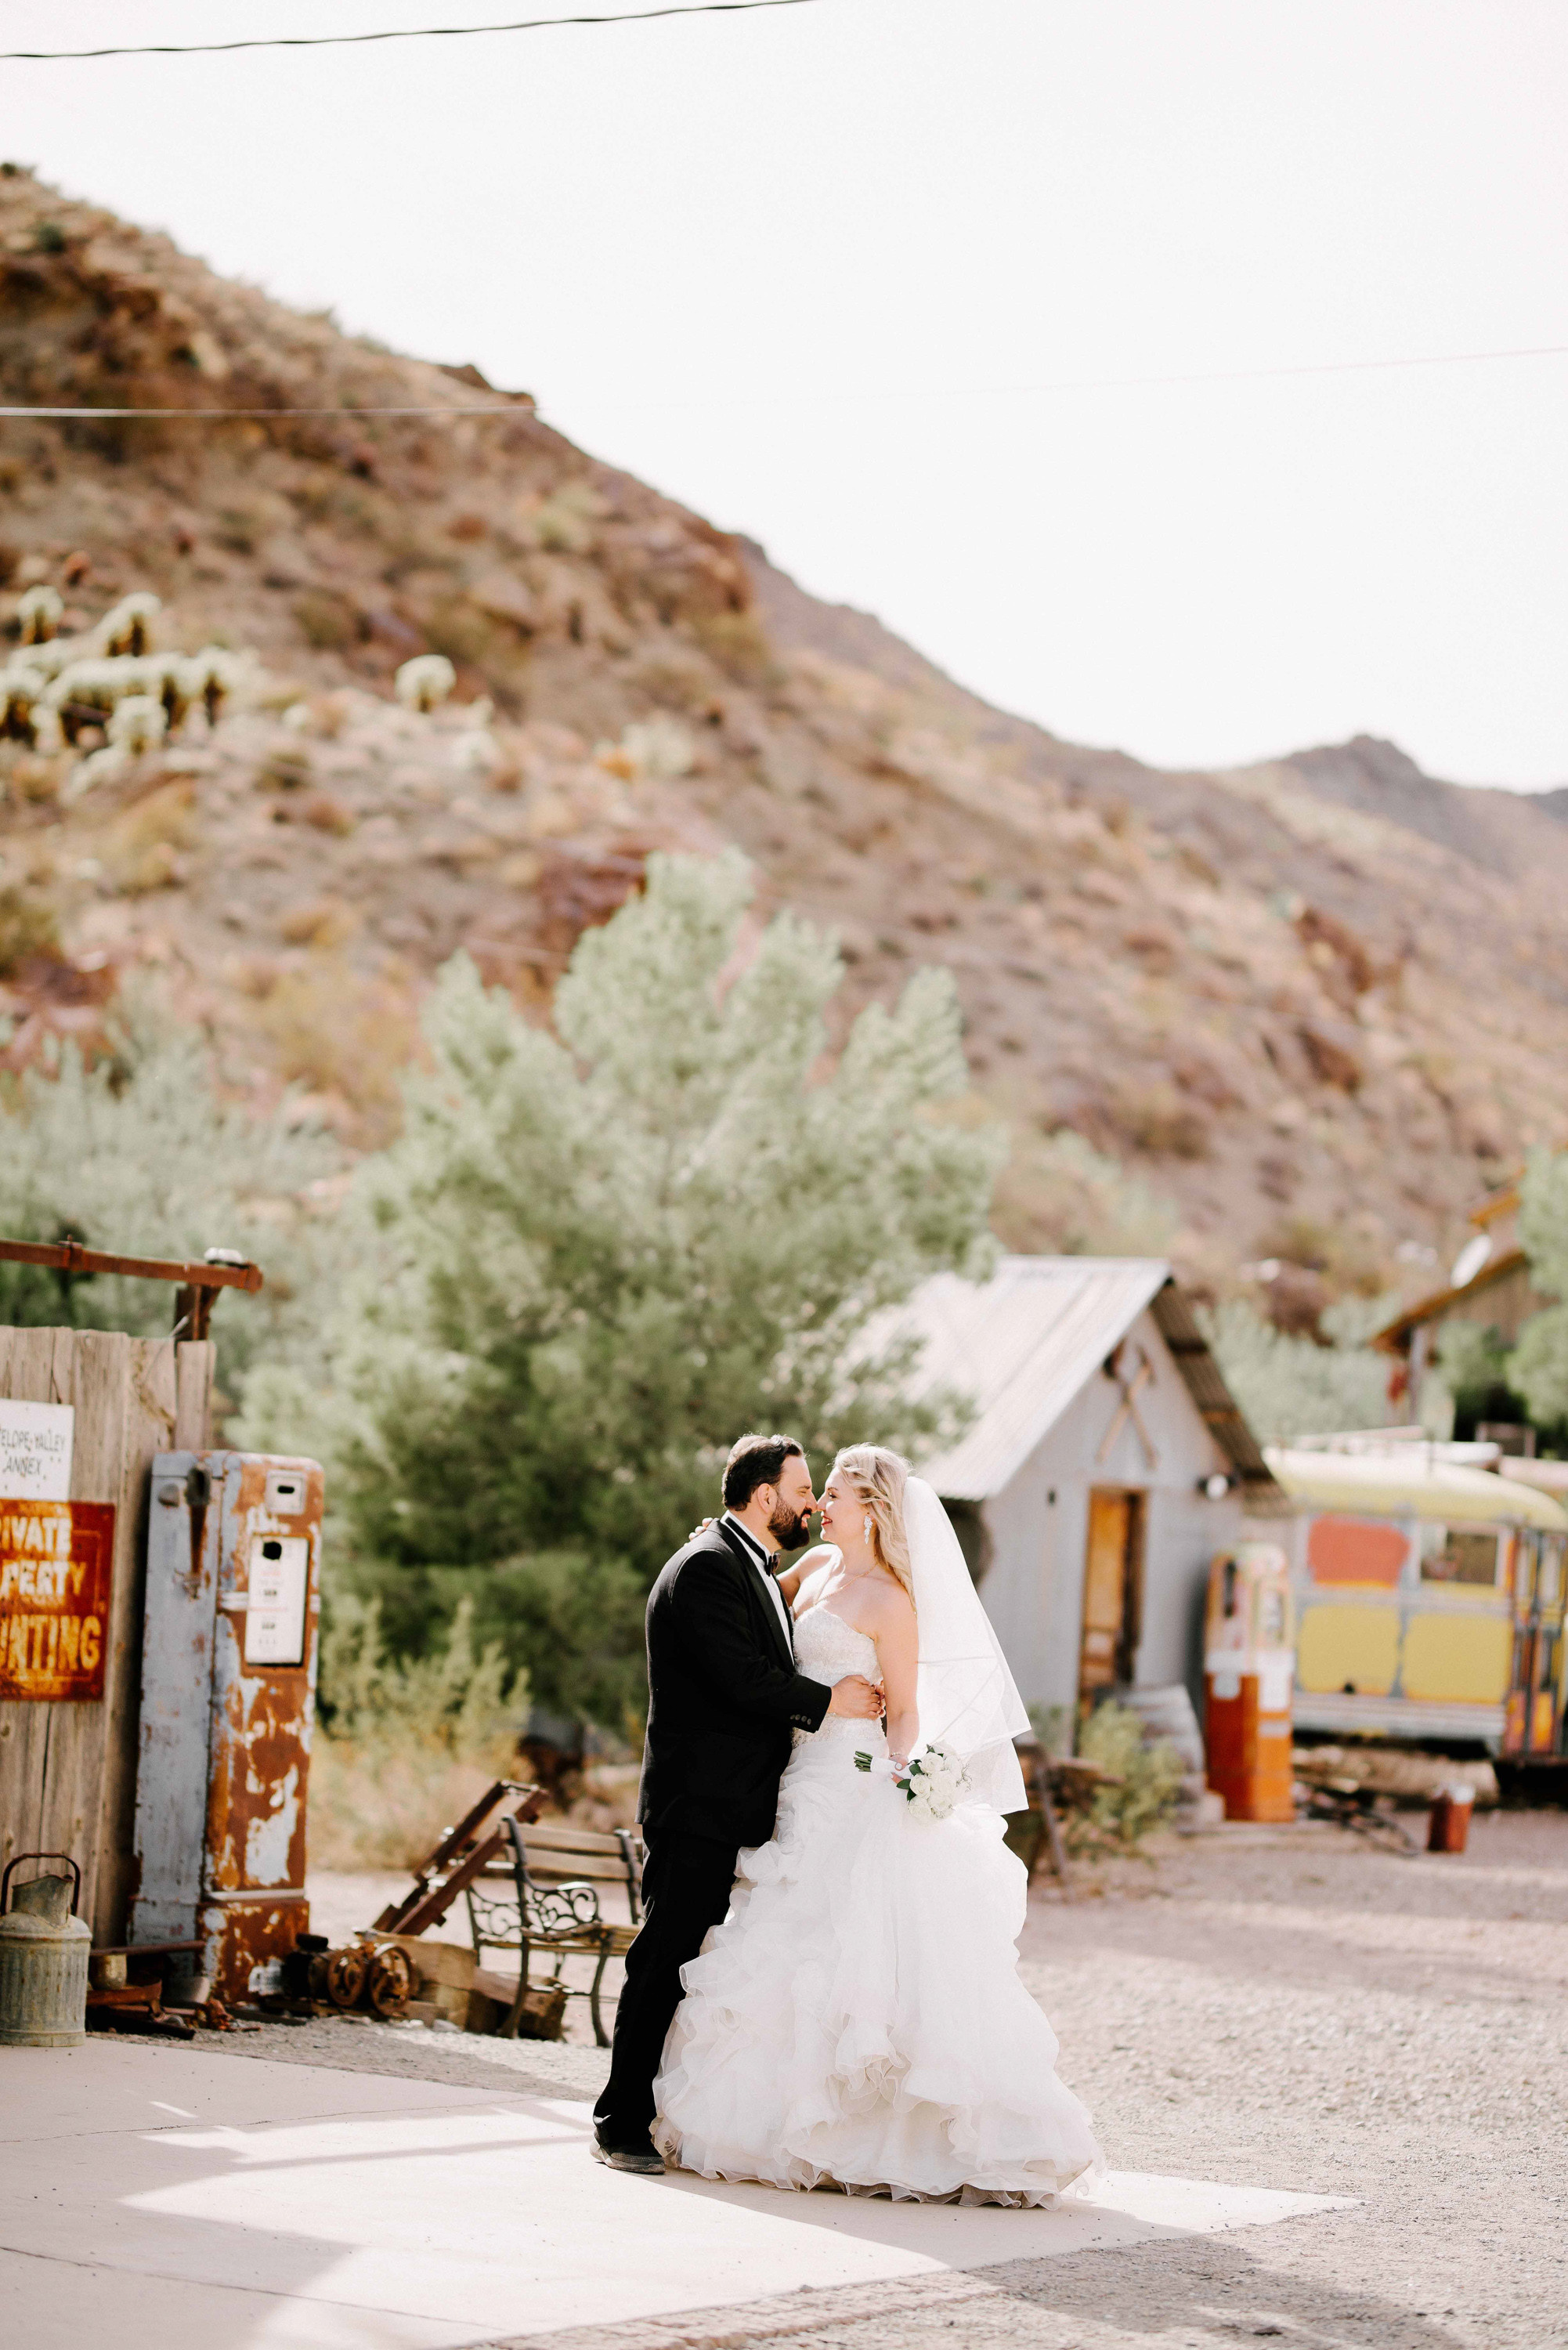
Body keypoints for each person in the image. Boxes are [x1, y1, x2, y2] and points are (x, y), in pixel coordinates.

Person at [652, 1443, 1101, 2205]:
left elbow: (907, 1713)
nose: (820, 1506)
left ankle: (865, 2136)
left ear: (873, 1508)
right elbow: (754, 1592)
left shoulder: (893, 1601)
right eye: (818, 1492)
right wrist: (716, 1538)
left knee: (839, 1949)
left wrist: (906, 1785)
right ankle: (764, 2123)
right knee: (775, 1947)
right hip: (796, 1781)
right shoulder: (818, 1572)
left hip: (851, 1785)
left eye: (832, 1494)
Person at [591, 1431, 883, 2173]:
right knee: (664, 1959)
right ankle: (618, 2122)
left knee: (705, 1968)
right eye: (800, 1489)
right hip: (697, 1804)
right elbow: (741, 1677)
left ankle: (672, 2109)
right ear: (764, 1498)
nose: (811, 1502)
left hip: (739, 1804)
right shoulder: (707, 1571)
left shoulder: (747, 1563)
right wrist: (833, 1700)